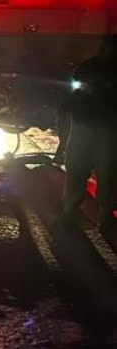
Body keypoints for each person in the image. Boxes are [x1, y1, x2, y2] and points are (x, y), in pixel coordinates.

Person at [57, 35, 117, 233]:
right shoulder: (88, 67)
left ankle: (101, 215)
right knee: (86, 169)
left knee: (101, 173)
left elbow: (73, 93)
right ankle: (75, 212)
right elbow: (74, 92)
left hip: (101, 127)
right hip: (93, 126)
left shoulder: (89, 67)